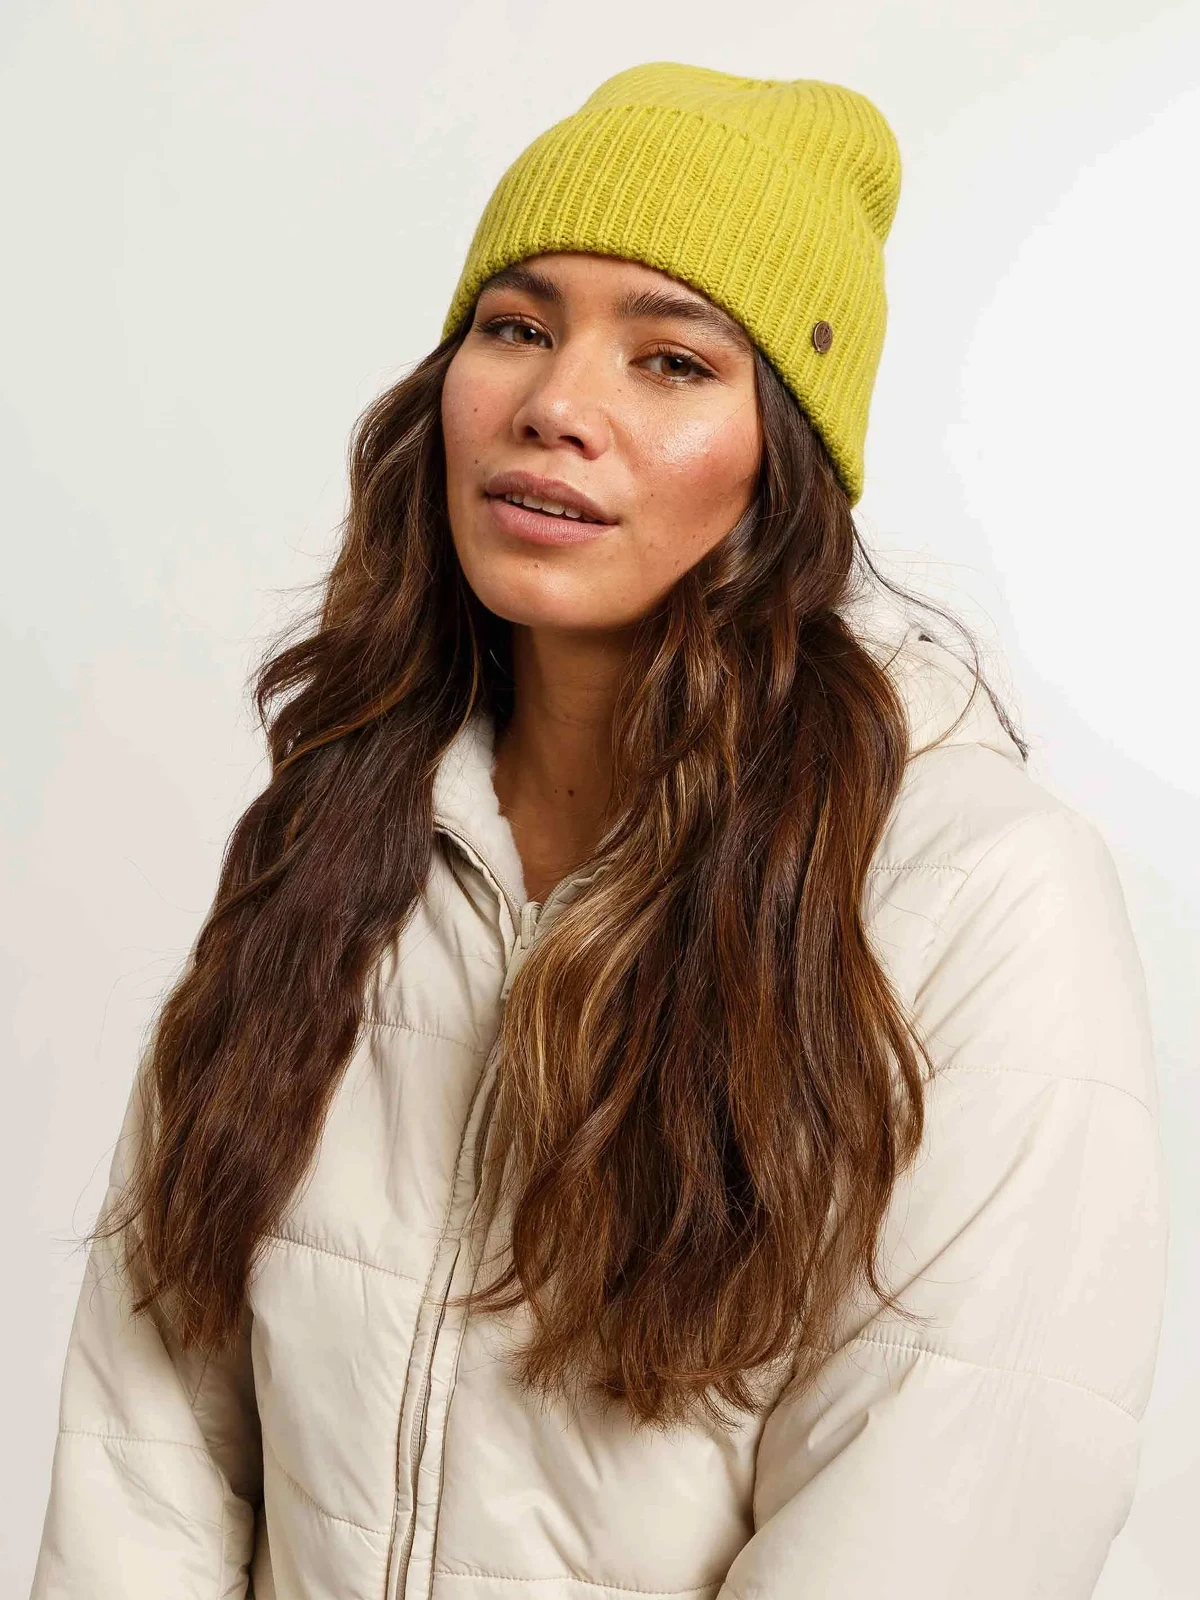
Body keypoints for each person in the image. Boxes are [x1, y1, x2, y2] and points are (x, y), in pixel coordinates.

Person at [31, 60, 1167, 1600]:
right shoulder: (330, 844)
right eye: (516, 328)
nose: (557, 407)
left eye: (673, 361)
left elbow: (940, 1521)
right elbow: (145, 1449)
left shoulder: (975, 897)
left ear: (785, 459)